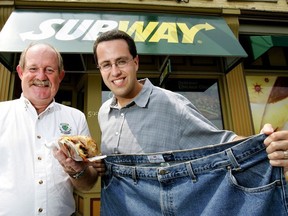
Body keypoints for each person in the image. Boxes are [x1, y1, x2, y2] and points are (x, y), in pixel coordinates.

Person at [93, 30, 288, 215]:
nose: (115, 71)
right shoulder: (104, 112)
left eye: (121, 61)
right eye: (106, 64)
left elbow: (221, 142)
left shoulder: (169, 103)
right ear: (100, 69)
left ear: (135, 62)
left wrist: (264, 145)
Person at [0, 43, 105, 216]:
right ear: (20, 72)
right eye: (33, 68)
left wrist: (77, 171)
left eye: (49, 70)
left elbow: (88, 184)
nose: (41, 76)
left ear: (60, 75)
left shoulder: (76, 117)